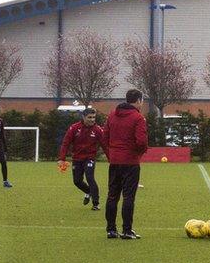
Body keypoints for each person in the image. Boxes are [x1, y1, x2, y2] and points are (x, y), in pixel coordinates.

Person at [103, 89, 148, 239]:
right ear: (139, 101)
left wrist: (112, 154)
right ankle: (127, 231)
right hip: (130, 162)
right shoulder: (138, 118)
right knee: (128, 197)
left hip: (115, 161)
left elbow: (105, 138)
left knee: (112, 195)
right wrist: (138, 154)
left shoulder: (112, 115)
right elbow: (141, 141)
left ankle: (111, 230)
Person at [58, 108, 108, 210]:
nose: (92, 120)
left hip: (90, 158)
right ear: (83, 117)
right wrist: (61, 158)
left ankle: (96, 203)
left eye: (94, 117)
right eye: (90, 117)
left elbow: (105, 145)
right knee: (77, 181)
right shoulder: (74, 128)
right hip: (77, 158)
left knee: (90, 178)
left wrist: (112, 159)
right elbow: (65, 143)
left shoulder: (98, 130)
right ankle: (88, 192)